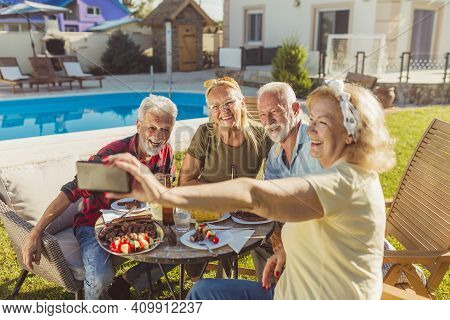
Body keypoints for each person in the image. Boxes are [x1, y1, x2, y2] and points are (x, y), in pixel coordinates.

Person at [105, 80, 396, 299]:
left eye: (322, 122)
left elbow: (256, 194)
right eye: (313, 121)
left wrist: (162, 195)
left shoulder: (345, 182)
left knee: (202, 294)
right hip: (290, 289)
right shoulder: (344, 174)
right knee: (203, 291)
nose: (311, 130)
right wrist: (286, 253)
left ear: (351, 133)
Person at [22, 94, 178, 299]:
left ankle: (125, 283)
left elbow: (167, 189)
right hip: (95, 224)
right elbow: (71, 191)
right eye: (152, 127)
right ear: (138, 125)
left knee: (179, 250)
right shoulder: (111, 155)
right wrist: (35, 233)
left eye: (165, 129)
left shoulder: (166, 152)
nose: (158, 136)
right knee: (100, 277)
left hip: (140, 221)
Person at [178, 76, 272, 279]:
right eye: (215, 106)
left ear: (242, 102)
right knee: (193, 253)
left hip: (247, 215)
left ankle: (269, 291)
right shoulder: (205, 134)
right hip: (209, 211)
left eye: (229, 102)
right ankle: (204, 286)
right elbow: (185, 181)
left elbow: (277, 175)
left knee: (270, 248)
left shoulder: (261, 136)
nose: (224, 111)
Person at [251, 82, 322, 281]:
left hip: (321, 238)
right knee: (259, 241)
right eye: (262, 115)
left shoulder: (317, 144)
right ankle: (274, 293)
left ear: (295, 110)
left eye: (274, 111)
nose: (268, 121)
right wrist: (275, 230)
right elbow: (270, 199)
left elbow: (322, 208)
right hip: (294, 231)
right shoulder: (275, 154)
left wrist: (289, 238)